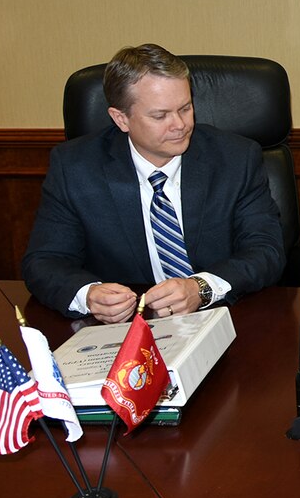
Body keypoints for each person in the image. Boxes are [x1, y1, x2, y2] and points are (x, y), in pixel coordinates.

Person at [22, 44, 286, 323]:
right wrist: (88, 294)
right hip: (125, 329)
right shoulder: (75, 168)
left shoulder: (236, 158)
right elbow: (44, 262)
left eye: (185, 108)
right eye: (160, 115)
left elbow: (266, 250)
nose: (179, 125)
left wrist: (201, 288)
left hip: (225, 318)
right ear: (120, 119)